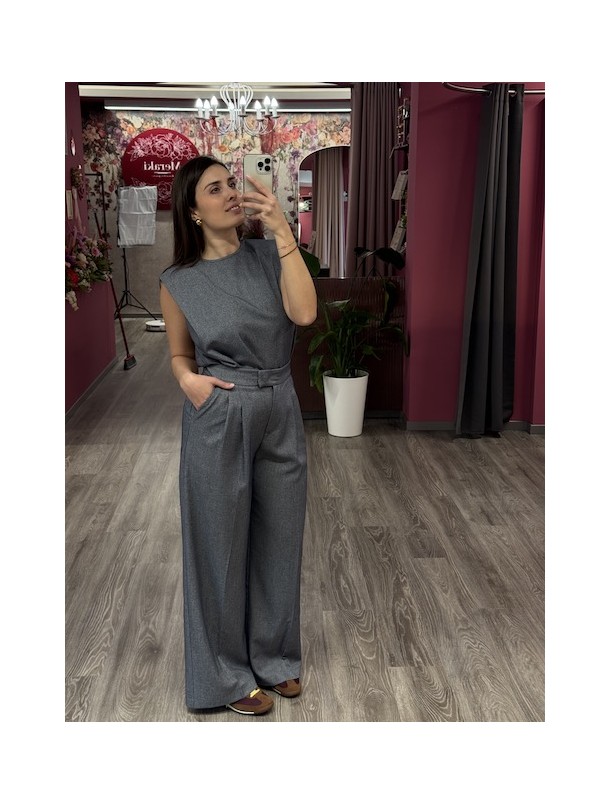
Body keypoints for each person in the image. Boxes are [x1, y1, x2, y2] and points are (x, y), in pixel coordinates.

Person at [159, 156, 317, 715]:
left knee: (281, 535)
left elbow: (304, 314)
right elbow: (179, 354)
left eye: (231, 183)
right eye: (214, 188)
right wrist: (188, 381)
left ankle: (273, 657)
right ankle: (224, 677)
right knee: (218, 543)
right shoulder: (179, 281)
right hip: (221, 410)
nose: (230, 192)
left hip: (279, 403)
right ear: (193, 211)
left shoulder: (269, 256)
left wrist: (282, 232)